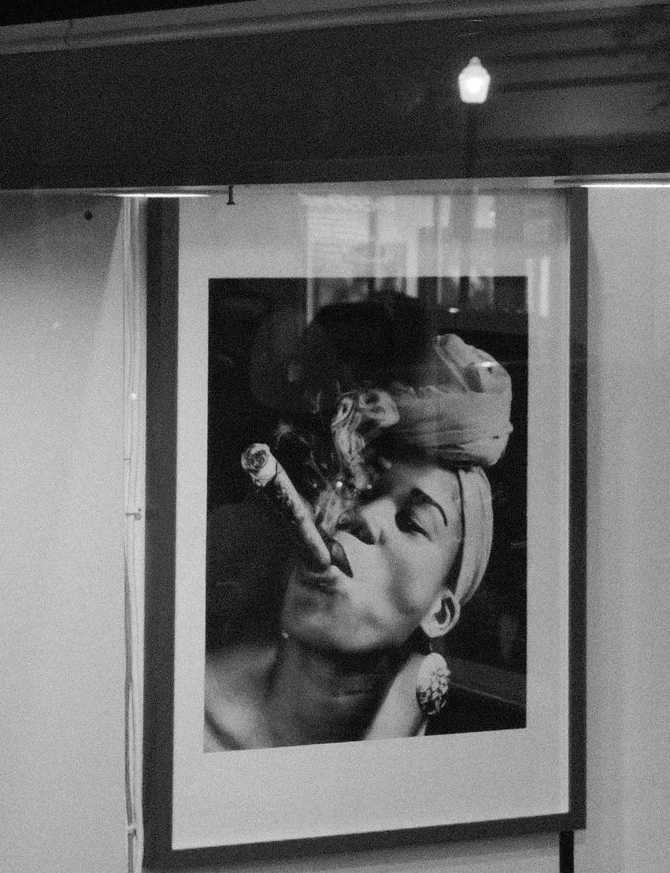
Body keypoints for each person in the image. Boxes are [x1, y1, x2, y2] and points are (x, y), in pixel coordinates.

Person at [205, 296, 512, 750]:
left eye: (412, 522)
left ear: (439, 611)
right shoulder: (190, 712)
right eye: (361, 488)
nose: (360, 518)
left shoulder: (420, 743)